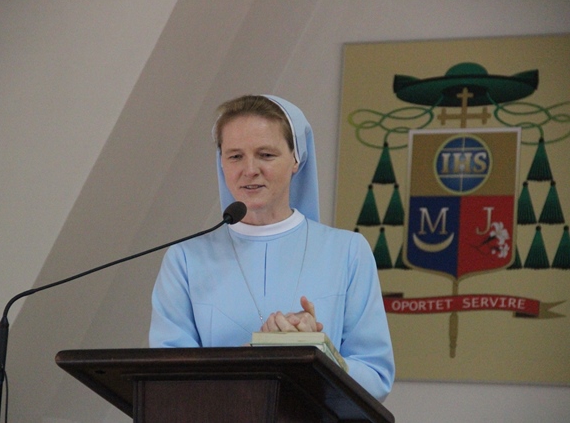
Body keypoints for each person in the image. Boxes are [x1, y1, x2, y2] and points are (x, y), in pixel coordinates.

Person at [149, 95, 394, 401]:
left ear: (296, 159)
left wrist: (319, 352)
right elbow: (167, 382)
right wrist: (256, 354)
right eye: (235, 156)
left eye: (265, 154)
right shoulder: (185, 260)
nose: (249, 169)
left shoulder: (348, 252)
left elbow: (376, 379)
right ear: (221, 162)